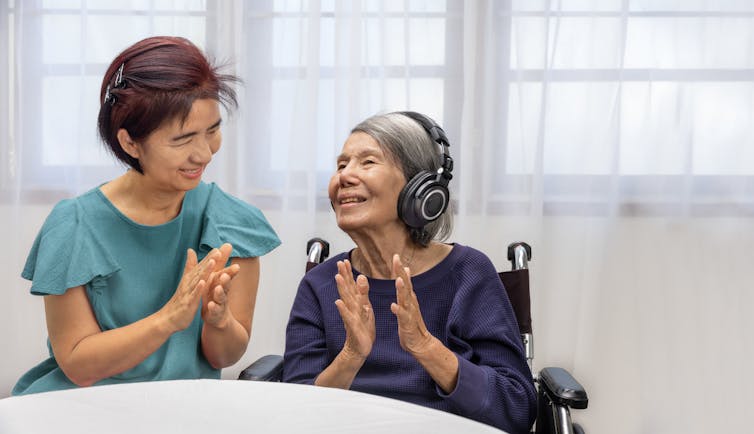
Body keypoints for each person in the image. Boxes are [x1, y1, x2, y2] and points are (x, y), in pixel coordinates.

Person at [13, 36, 280, 395]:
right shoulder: (74, 225)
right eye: (183, 140)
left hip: (179, 410)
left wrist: (219, 321)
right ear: (129, 143)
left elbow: (223, 357)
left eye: (213, 131)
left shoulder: (232, 222)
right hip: (79, 406)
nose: (204, 154)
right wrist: (169, 319)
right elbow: (78, 366)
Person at [282, 111, 536, 433]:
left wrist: (426, 347)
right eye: (341, 165)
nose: (345, 176)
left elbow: (516, 409)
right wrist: (351, 356)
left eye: (368, 162)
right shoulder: (320, 285)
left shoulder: (469, 274)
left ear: (420, 187)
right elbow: (295, 413)